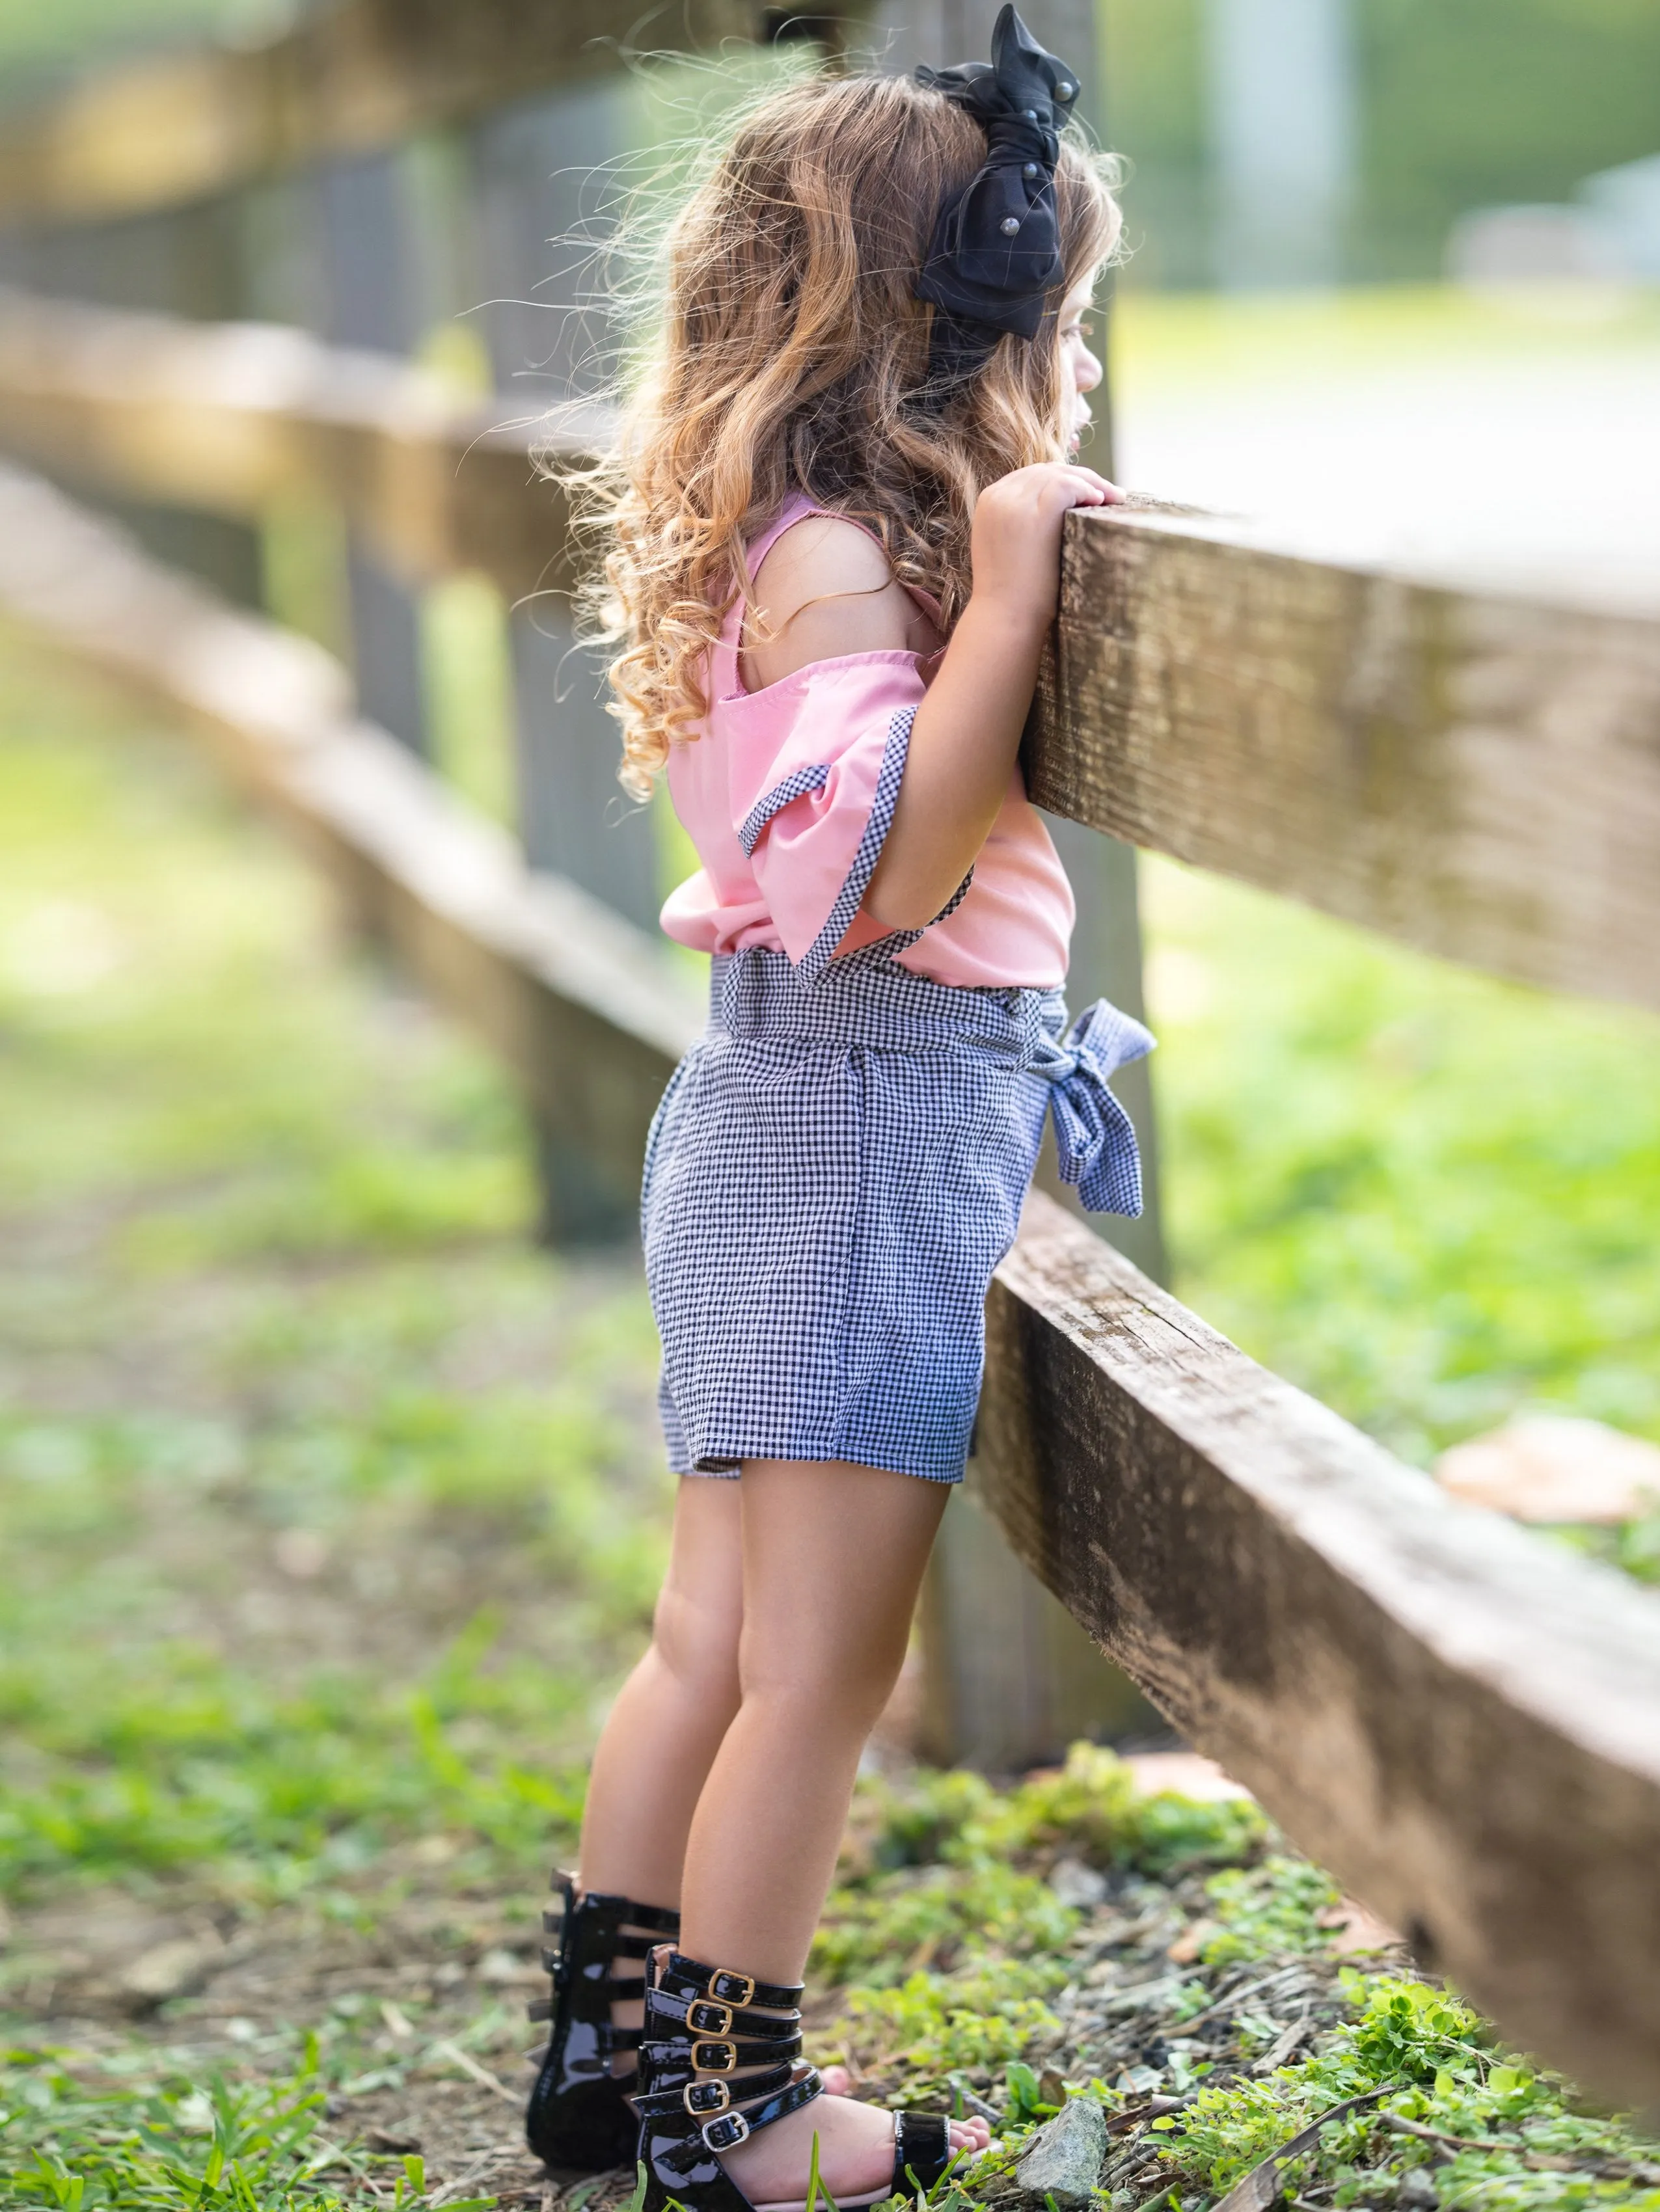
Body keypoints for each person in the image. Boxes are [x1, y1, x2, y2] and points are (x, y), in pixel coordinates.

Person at [526, 14, 1152, 2211]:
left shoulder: (781, 537)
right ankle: (738, 2109)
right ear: (957, 325)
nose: (1068, 375)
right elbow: (888, 873)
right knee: (815, 1668)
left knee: (714, 1642)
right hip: (856, 1132)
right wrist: (1014, 579)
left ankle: (607, 2059)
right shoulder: (848, 571)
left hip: (789, 1121)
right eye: (1058, 329)